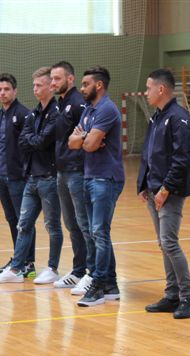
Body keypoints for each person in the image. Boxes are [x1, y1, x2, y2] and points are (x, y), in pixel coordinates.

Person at [0, 66, 63, 285]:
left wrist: (33, 141)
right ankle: (17, 267)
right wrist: (33, 140)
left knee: (52, 225)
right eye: (34, 85)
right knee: (22, 223)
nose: (35, 89)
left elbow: (41, 141)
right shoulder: (33, 113)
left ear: (51, 86)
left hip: (44, 176)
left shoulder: (51, 112)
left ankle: (48, 267)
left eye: (39, 85)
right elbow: (26, 140)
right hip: (29, 176)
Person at [137, 68, 190, 319]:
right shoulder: (156, 117)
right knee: (164, 244)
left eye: (149, 88)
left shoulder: (179, 118)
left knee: (169, 242)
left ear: (161, 89)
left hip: (169, 192)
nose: (146, 92)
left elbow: (181, 160)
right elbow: (149, 153)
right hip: (154, 189)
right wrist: (143, 183)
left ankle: (187, 298)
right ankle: (172, 295)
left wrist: (165, 189)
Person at [68, 66, 124, 307]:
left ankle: (98, 284)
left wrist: (86, 138)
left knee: (99, 232)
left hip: (106, 178)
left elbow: (89, 145)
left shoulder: (107, 109)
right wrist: (86, 137)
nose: (81, 89)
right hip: (90, 176)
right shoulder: (89, 110)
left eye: (85, 84)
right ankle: (110, 285)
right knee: (95, 232)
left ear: (98, 85)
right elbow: (72, 142)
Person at [50, 61, 93, 290]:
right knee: (71, 224)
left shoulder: (78, 103)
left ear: (70, 79)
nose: (53, 83)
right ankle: (78, 270)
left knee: (84, 224)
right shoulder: (60, 103)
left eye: (57, 78)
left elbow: (86, 135)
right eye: (52, 79)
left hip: (77, 171)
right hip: (62, 171)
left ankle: (93, 274)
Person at [0, 73, 36, 278]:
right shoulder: (0, 114)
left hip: (18, 177)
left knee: (23, 220)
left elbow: (28, 146)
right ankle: (18, 257)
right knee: (11, 218)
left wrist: (25, 171)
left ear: (15, 91)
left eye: (6, 89)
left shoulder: (23, 114)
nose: (2, 93)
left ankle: (28, 262)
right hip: (2, 176)